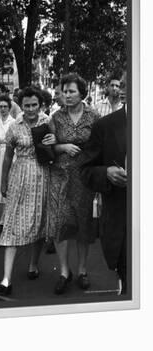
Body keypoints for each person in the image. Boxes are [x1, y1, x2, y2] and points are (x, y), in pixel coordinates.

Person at [0, 86, 56, 296]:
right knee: (12, 223)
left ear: (40, 105)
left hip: (42, 177)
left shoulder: (48, 122)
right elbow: (8, 156)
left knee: (38, 221)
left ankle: (33, 264)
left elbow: (55, 150)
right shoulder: (14, 126)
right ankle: (6, 279)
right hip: (19, 177)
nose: (30, 109)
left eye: (34, 105)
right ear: (20, 106)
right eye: (27, 105)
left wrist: (55, 142)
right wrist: (3, 182)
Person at [46, 73, 100, 294]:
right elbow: (47, 147)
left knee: (83, 223)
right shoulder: (56, 118)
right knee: (61, 223)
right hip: (60, 176)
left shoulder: (93, 116)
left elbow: (99, 147)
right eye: (64, 91)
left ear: (82, 93)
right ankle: (64, 272)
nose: (66, 95)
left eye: (71, 91)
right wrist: (62, 147)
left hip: (84, 177)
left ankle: (82, 270)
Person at [81, 72, 128, 295]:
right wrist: (106, 173)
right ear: (125, 90)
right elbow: (85, 171)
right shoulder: (105, 126)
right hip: (124, 223)